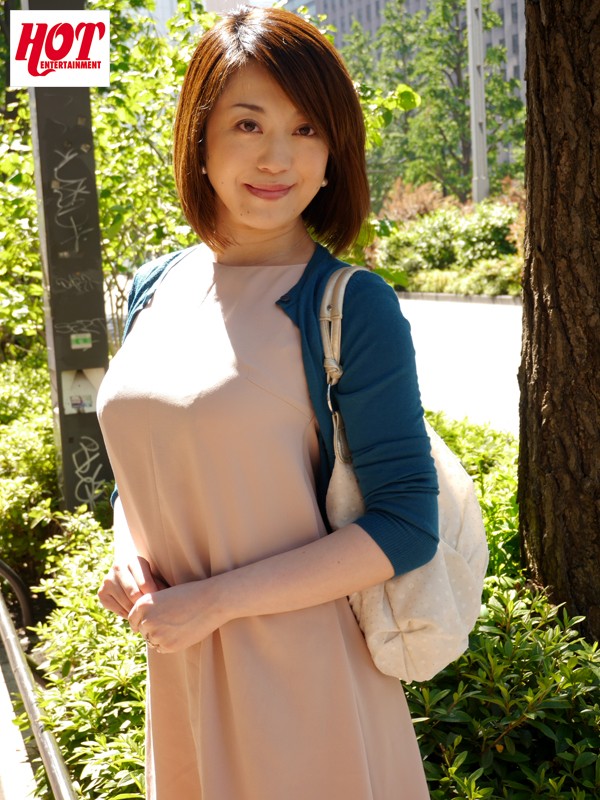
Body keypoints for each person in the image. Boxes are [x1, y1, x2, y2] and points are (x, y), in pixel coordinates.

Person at [97, 6, 439, 799]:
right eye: (248, 124)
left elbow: (406, 522)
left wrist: (214, 603)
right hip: (181, 666)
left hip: (306, 686)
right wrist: (128, 552)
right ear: (200, 138)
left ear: (334, 152)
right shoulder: (155, 286)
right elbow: (149, 460)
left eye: (306, 129)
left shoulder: (348, 305)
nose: (277, 157)